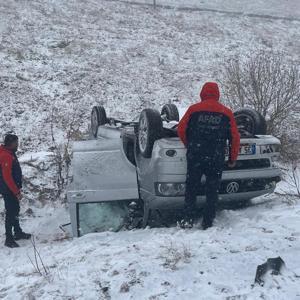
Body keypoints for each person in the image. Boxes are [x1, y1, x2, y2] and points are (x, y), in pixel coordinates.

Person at [177, 82, 240, 229]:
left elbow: (181, 129)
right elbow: (235, 137)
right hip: (216, 156)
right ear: (217, 94)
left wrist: (189, 144)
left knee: (192, 187)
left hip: (196, 155)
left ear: (202, 93)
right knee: (212, 190)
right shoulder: (226, 112)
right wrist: (232, 158)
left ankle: (187, 218)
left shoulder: (193, 110)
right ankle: (208, 221)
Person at [0, 134, 31, 248]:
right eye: (16, 143)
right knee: (11, 212)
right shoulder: (6, 155)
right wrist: (16, 191)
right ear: (10, 143)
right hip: (8, 189)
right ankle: (9, 238)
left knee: (15, 210)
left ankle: (17, 232)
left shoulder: (9, 153)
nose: (18, 145)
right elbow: (7, 177)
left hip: (11, 188)